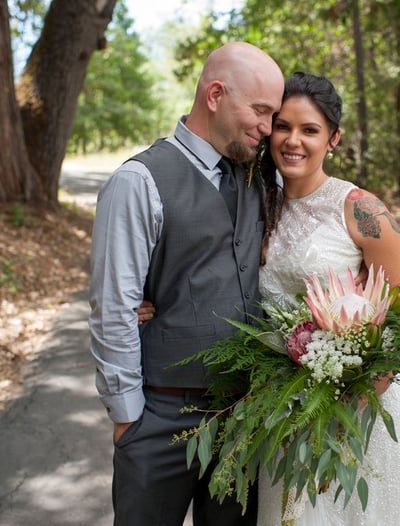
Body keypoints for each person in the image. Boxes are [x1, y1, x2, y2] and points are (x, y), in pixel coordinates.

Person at [88, 41, 285, 526]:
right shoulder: (139, 181)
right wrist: (128, 418)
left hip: (241, 419)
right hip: (159, 418)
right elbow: (114, 305)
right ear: (215, 94)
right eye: (260, 111)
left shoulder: (260, 177)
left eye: (273, 115)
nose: (268, 128)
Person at [256, 72, 400, 525]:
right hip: (281, 405)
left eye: (309, 130)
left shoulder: (361, 208)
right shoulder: (257, 202)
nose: (292, 141)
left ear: (333, 138)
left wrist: (345, 410)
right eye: (282, 126)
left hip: (356, 407)